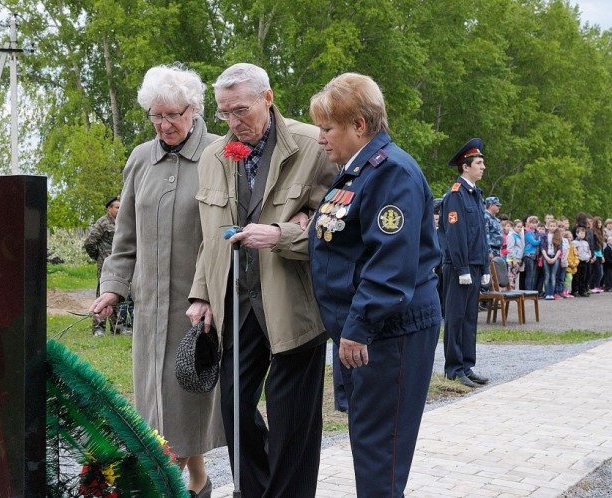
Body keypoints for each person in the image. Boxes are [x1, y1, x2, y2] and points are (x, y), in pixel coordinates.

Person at [185, 63, 337, 498]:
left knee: (294, 417)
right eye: (224, 112)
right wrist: (202, 294)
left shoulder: (313, 145)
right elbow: (209, 236)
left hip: (293, 303)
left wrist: (282, 233)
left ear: (268, 99)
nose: (233, 122)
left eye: (242, 110)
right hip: (237, 301)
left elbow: (334, 225)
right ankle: (255, 490)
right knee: (234, 405)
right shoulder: (214, 157)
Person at [90, 64, 224, 497]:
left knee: (184, 404)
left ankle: (159, 488)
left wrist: (207, 294)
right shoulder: (140, 159)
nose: (165, 124)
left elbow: (223, 235)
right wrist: (113, 286)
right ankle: (198, 484)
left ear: (194, 110)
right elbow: (124, 236)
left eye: (173, 115)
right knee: (158, 408)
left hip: (197, 309)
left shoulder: (219, 155)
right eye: (156, 115)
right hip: (149, 311)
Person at [307, 72, 441, 498]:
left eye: (327, 129)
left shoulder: (390, 172)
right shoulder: (359, 171)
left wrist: (358, 326)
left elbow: (390, 263)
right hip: (368, 331)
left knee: (381, 452)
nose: (321, 139)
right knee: (369, 443)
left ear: (359, 126)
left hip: (388, 333)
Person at [439, 138, 490, 388]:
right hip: (461, 267)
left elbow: (480, 234)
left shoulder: (476, 195)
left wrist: (485, 268)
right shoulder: (456, 195)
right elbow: (454, 234)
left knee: (469, 318)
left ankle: (467, 365)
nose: (483, 167)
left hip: (475, 265)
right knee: (456, 317)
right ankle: (453, 368)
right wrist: (461, 268)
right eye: (479, 163)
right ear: (465, 166)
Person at [84, 196, 120, 337]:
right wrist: (99, 256)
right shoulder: (102, 222)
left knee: (118, 293)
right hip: (105, 265)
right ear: (109, 208)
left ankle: (117, 327)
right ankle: (98, 328)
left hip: (119, 264)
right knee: (103, 294)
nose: (120, 210)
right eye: (117, 207)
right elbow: (89, 243)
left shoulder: (122, 222)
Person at [540, 219, 562, 300]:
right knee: (547, 275)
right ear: (548, 226)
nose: (552, 227)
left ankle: (552, 293)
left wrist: (555, 258)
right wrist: (546, 257)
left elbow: (560, 249)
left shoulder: (558, 236)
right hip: (546, 257)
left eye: (554, 226)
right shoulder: (544, 236)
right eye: (551, 226)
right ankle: (547, 293)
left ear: (556, 227)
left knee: (553, 276)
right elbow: (542, 248)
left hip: (555, 257)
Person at [572, 226, 592, 297]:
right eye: (581, 233)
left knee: (583, 276)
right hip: (578, 261)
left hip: (585, 261)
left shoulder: (586, 242)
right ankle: (575, 290)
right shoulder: (574, 242)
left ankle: (582, 291)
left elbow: (588, 251)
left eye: (583, 233)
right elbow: (574, 252)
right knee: (576, 276)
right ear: (577, 234)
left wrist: (589, 256)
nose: (582, 235)